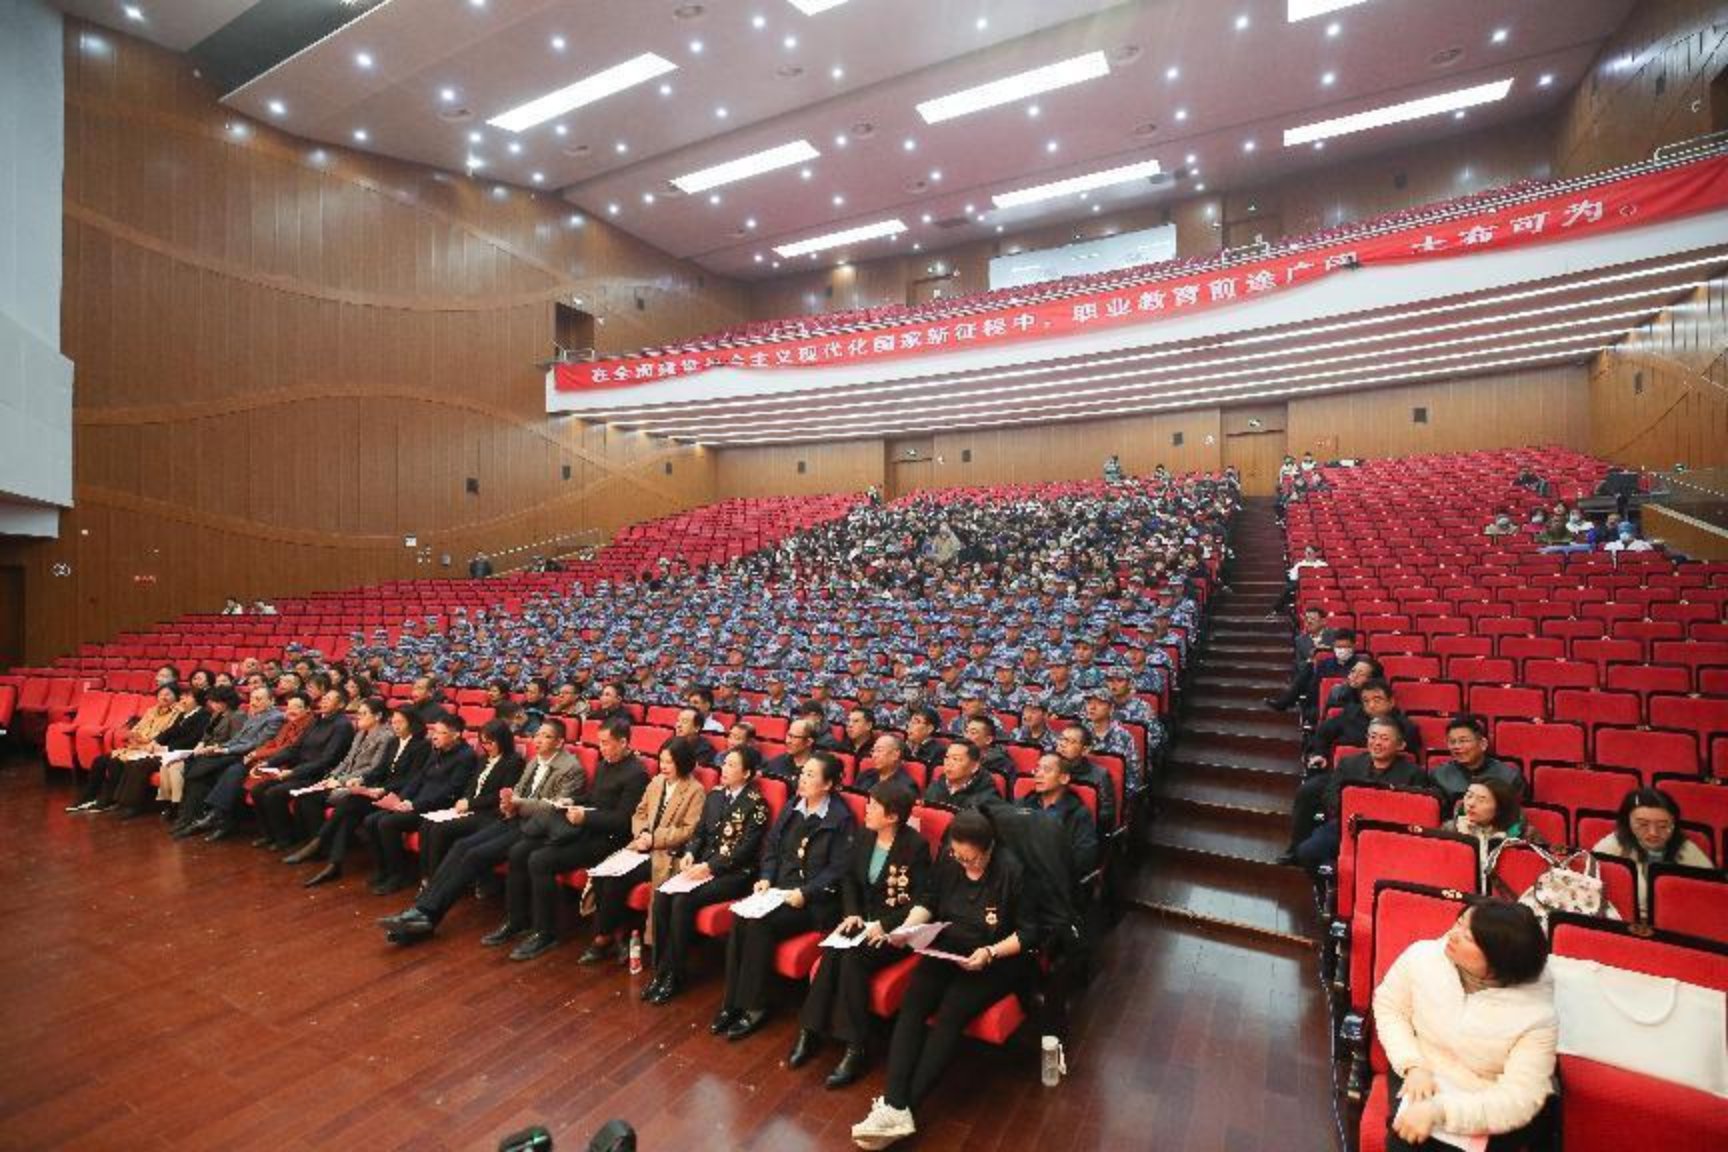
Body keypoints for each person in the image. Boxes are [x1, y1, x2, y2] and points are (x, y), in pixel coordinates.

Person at [849, 809, 1036, 1149]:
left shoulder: (1012, 871)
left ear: (989, 848)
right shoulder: (950, 859)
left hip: (994, 957)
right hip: (948, 945)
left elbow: (1028, 933)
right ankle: (894, 1104)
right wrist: (906, 930)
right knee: (913, 1003)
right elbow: (930, 900)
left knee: (952, 1010)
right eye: (958, 856)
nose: (964, 864)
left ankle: (902, 1108)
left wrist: (990, 952)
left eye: (971, 859)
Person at [1372, 900, 1556, 1151]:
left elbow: (1518, 1098)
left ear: (1499, 958)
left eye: (1468, 937)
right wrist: (1413, 1065)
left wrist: (1440, 1112)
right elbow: (1390, 1008)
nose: (1452, 935)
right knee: (1406, 1138)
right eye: (1459, 923)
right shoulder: (1422, 957)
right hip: (1423, 1068)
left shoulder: (1537, 1015)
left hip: (1484, 1095)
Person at [790, 781, 932, 1088]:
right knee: (833, 950)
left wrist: (886, 925)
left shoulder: (915, 846)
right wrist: (851, 913)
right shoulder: (865, 836)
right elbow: (849, 881)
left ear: (892, 816)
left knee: (853, 958)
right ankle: (810, 1030)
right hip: (861, 921)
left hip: (892, 930)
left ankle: (856, 1046)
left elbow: (922, 900)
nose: (866, 810)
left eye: (874, 806)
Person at [711, 751, 855, 1041]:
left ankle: (755, 1006)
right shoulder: (792, 805)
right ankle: (733, 1001)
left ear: (828, 784)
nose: (802, 779)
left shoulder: (841, 819)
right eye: (803, 773)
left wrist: (806, 892)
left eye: (811, 775)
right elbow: (772, 847)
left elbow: (838, 870)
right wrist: (766, 877)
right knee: (740, 917)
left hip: (813, 900)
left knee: (760, 924)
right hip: (778, 890)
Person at [497, 717, 649, 961]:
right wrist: (573, 801)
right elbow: (595, 799)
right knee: (519, 851)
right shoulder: (605, 764)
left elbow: (624, 821)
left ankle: (546, 932)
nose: (601, 748)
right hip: (585, 829)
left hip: (609, 840)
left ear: (623, 743)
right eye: (599, 742)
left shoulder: (636, 774)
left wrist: (586, 817)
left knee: (540, 860)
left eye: (606, 743)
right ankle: (517, 920)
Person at [644, 745, 771, 1005]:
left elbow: (745, 850)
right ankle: (661, 970)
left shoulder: (756, 804)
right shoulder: (715, 796)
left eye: (732, 765)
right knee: (663, 895)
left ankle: (675, 975)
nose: (724, 768)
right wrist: (690, 853)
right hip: (703, 866)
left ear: (747, 773)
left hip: (735, 873)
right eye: (724, 763)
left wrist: (711, 867)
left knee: (682, 901)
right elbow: (699, 833)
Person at [578, 738, 705, 966]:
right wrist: (643, 833)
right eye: (662, 761)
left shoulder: (695, 790)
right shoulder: (657, 781)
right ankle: (618, 935)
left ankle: (603, 939)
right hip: (641, 845)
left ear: (683, 762)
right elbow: (639, 813)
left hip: (666, 853)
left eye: (670, 762)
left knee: (616, 880)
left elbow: (689, 830)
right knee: (602, 874)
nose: (663, 766)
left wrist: (655, 839)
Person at [282, 699, 417, 883]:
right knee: (338, 810)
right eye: (394, 721)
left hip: (377, 789)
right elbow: (348, 761)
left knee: (346, 805)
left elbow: (375, 769)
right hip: (360, 784)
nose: (358, 717)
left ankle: (319, 844)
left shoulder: (388, 738)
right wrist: (333, 777)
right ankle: (332, 862)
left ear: (378, 716)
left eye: (363, 713)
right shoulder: (363, 734)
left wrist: (344, 782)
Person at [1292, 717, 1435, 868]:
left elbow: (1417, 811)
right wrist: (1347, 812)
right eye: (1373, 737)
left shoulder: (1414, 774)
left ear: (1400, 745)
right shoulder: (1349, 763)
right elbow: (1330, 795)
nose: (1377, 743)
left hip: (1389, 834)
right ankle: (1334, 877)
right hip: (1346, 826)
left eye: (1384, 738)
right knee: (1307, 852)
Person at [411, 716, 525, 880]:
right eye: (483, 743)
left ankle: (438, 879)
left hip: (489, 813)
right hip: (471, 808)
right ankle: (426, 876)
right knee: (427, 824)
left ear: (503, 740)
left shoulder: (514, 761)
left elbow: (500, 795)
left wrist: (470, 803)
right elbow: (471, 785)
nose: (487, 746)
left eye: (490, 742)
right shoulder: (483, 759)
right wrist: (464, 799)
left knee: (440, 829)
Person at [249, 689, 356, 852]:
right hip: (300, 770)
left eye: (329, 699)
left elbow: (328, 759)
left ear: (341, 704)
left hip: (318, 775)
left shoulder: (342, 726)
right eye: (324, 698)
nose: (324, 700)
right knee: (257, 790)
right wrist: (268, 762)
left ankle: (285, 838)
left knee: (274, 793)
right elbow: (294, 748)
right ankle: (270, 834)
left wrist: (294, 772)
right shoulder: (317, 720)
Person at [66, 683, 185, 813]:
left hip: (151, 749)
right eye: (161, 694)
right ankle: (89, 796)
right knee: (99, 760)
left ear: (176, 697)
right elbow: (137, 728)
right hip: (135, 746)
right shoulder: (151, 710)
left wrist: (142, 739)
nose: (163, 697)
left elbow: (162, 735)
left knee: (115, 762)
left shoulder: (177, 714)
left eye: (168, 694)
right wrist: (134, 736)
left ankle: (108, 800)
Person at [1590, 787, 1714, 912]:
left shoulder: (1685, 848)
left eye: (1663, 826)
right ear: (1627, 822)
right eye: (1643, 825)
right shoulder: (1610, 847)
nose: (1653, 833)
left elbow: (1711, 890)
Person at [109, 684, 213, 818]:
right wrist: (156, 741)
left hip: (181, 753)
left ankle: (133, 805)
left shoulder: (203, 716)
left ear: (198, 700)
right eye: (182, 696)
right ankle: (121, 801)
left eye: (188, 697)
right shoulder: (184, 714)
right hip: (168, 751)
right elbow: (169, 732)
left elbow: (192, 740)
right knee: (132, 763)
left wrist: (166, 748)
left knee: (141, 765)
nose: (183, 699)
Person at [1018, 752, 1100, 879]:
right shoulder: (1023, 804)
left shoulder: (1078, 814)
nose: (1038, 774)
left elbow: (1084, 859)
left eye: (1047, 770)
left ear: (1064, 778)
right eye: (1037, 769)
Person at [1430, 715, 1525, 810]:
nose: (1457, 746)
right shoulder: (1439, 776)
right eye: (1452, 742)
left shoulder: (1509, 777)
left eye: (1463, 741)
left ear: (1483, 744)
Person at [1454, 779, 1532, 882]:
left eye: (1481, 800)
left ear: (1499, 808)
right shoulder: (1451, 829)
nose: (1471, 803)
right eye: (1469, 796)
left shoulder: (1524, 837)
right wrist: (1463, 839)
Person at [923, 740, 1003, 811]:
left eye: (956, 759)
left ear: (974, 767)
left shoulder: (987, 797)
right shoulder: (935, 787)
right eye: (947, 757)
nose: (949, 763)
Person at [853, 733, 919, 798]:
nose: (874, 755)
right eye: (873, 751)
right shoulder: (866, 775)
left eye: (879, 750)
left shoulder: (906, 787)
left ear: (895, 755)